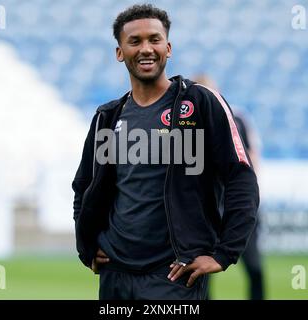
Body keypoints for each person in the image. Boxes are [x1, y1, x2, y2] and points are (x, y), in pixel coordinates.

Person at [72, 4, 259, 300]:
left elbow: (240, 177)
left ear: (168, 48)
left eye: (154, 39)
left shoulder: (200, 103)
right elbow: (84, 186)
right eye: (135, 41)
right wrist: (86, 245)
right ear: (119, 52)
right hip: (116, 275)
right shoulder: (107, 117)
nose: (146, 48)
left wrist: (224, 253)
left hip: (173, 274)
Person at [193, 75, 265, 300]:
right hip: (207, 207)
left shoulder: (238, 118)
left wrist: (248, 193)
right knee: (201, 272)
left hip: (237, 203)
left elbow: (252, 156)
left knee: (254, 266)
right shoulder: (188, 123)